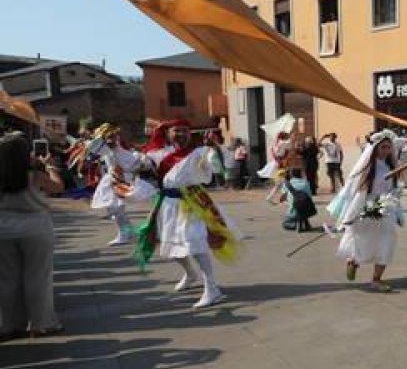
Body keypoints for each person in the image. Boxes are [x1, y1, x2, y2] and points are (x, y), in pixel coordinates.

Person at [136, 119, 240, 308]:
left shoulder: (200, 152)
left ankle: (211, 288)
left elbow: (215, 168)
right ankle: (191, 274)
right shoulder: (160, 154)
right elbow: (140, 165)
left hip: (193, 202)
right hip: (167, 204)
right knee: (172, 247)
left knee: (196, 243)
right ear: (169, 133)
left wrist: (214, 149)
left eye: (185, 130)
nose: (182, 134)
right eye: (177, 130)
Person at [0, 133, 64, 341]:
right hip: (35, 226)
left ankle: (9, 325)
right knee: (38, 276)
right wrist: (50, 166)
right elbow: (58, 187)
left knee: (8, 278)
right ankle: (41, 323)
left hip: (4, 225)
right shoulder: (33, 175)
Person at [327, 130, 404, 292]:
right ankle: (353, 261)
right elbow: (359, 191)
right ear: (375, 148)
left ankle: (376, 279)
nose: (386, 151)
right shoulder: (369, 167)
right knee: (362, 239)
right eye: (383, 147)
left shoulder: (392, 166)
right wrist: (352, 214)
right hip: (366, 207)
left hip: (386, 207)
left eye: (388, 147)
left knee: (387, 241)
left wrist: (393, 203)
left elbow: (395, 189)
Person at [88, 123, 154, 245]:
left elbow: (132, 164)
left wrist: (137, 163)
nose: (111, 139)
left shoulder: (118, 150)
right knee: (115, 209)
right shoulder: (106, 149)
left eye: (114, 137)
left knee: (116, 209)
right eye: (109, 137)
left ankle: (125, 234)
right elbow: (93, 147)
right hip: (112, 181)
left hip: (119, 181)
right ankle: (127, 233)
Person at [259, 131, 292, 202]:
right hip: (280, 164)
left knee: (281, 182)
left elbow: (273, 153)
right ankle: (281, 197)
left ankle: (274, 197)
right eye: (286, 136)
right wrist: (291, 136)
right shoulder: (282, 143)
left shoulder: (275, 144)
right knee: (283, 182)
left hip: (276, 163)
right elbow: (289, 144)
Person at [281, 167, 317, 232]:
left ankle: (296, 224)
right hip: (307, 211)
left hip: (292, 212)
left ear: (291, 174)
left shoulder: (287, 184)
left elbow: (283, 197)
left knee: (284, 224)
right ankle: (304, 223)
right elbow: (309, 196)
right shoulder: (306, 183)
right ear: (300, 174)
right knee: (302, 205)